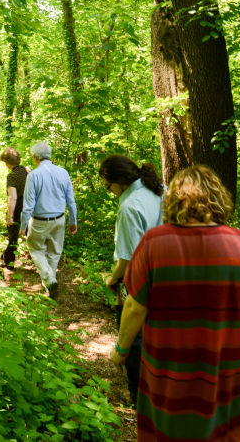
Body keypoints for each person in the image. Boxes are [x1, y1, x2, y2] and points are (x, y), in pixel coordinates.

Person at [110, 165, 240, 441]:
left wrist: (121, 350)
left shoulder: (153, 244)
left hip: (164, 381)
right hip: (222, 382)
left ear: (171, 202)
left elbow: (135, 307)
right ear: (218, 198)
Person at [99, 155, 164, 403]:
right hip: (169, 275)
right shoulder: (160, 191)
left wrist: (111, 280)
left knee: (133, 335)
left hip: (140, 279)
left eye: (108, 187)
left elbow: (127, 261)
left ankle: (139, 396)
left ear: (119, 181)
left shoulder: (129, 208)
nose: (110, 192)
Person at [19, 141, 77, 300]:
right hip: (59, 219)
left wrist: (23, 226)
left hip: (39, 221)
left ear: (35, 157)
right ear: (50, 156)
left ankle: (50, 280)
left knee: (36, 249)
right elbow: (71, 200)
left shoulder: (33, 175)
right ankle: (50, 284)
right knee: (54, 252)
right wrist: (73, 221)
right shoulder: (63, 173)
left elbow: (28, 204)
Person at [0, 147, 29, 267]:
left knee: (13, 236)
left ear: (7, 163)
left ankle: (9, 262)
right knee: (28, 234)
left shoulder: (11, 176)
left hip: (18, 207)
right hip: (29, 205)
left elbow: (13, 197)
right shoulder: (28, 171)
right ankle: (5, 256)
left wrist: (10, 216)